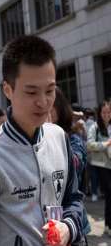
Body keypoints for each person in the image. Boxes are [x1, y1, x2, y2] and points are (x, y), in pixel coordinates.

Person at [0, 35, 84, 245]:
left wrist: (67, 228)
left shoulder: (59, 138)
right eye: (31, 92)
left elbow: (73, 199)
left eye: (50, 91)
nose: (43, 102)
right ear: (7, 90)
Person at [51, 87, 91, 236]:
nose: (45, 106)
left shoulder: (73, 138)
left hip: (71, 216)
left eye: (52, 104)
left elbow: (75, 165)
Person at [87, 101, 111, 235]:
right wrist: (105, 144)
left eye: (109, 112)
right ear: (100, 113)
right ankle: (109, 225)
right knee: (109, 194)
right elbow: (89, 144)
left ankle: (108, 224)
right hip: (101, 165)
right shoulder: (94, 127)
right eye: (104, 112)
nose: (107, 115)